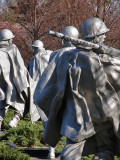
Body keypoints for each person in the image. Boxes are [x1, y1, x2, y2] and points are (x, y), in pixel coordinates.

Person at [34, 20, 120, 160]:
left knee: (91, 150)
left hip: (75, 117)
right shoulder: (98, 61)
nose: (105, 37)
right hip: (98, 117)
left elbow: (52, 87)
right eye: (102, 34)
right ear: (95, 36)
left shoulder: (67, 57)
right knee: (104, 149)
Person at [28, 40, 55, 159]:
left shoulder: (34, 60)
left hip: (42, 95)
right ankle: (52, 150)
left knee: (47, 122)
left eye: (34, 48)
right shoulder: (52, 54)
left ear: (36, 48)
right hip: (53, 92)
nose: (33, 51)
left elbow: (32, 79)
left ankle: (52, 150)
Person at [0, 29, 30, 130]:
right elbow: (20, 68)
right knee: (21, 101)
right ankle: (15, 120)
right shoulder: (13, 49)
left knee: (2, 105)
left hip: (3, 86)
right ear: (8, 40)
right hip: (14, 84)